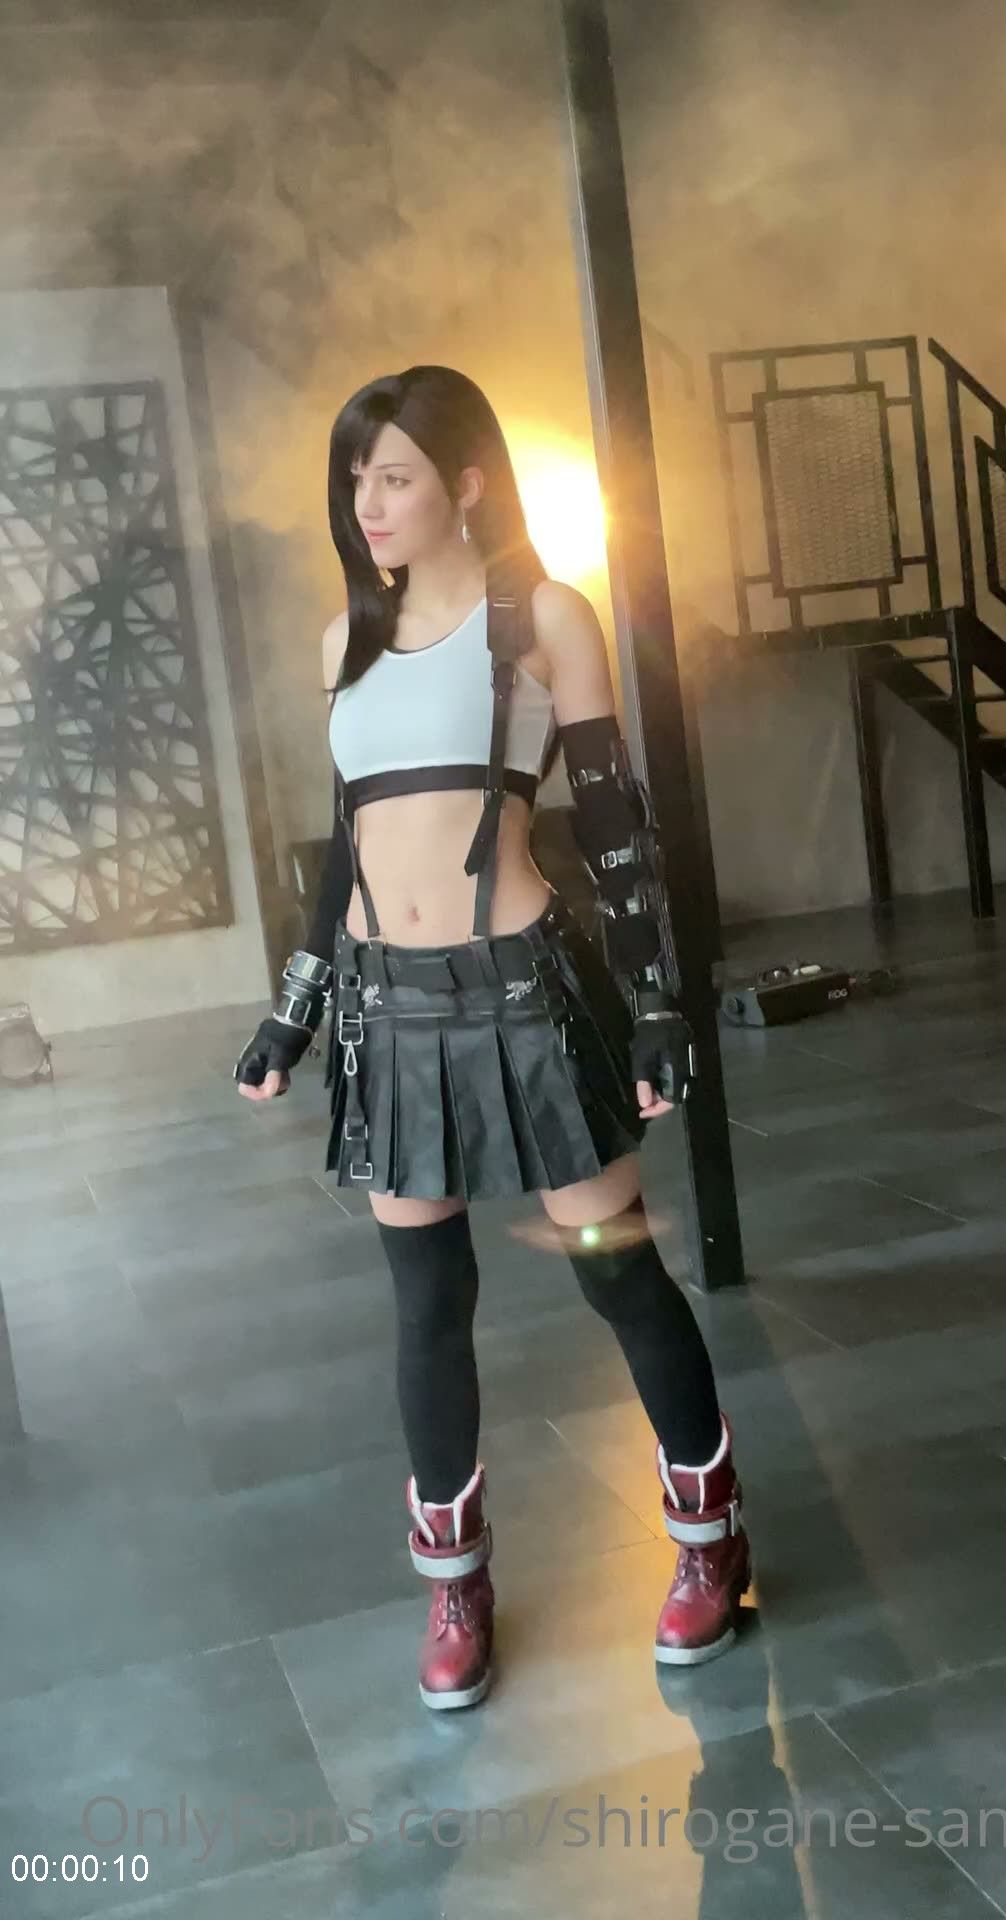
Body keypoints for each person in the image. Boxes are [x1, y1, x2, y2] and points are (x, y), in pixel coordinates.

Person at [234, 366, 750, 1711]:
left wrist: (656, 1002)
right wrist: (295, 1007)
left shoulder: (544, 619)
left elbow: (617, 826)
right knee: (426, 1302)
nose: (368, 502)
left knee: (616, 1272)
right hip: (388, 1007)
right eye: (356, 479)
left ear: (465, 483)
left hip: (522, 991)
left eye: (395, 476)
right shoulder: (344, 644)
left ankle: (709, 1541)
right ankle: (455, 1587)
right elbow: (344, 852)